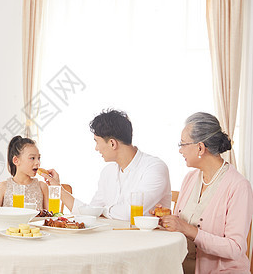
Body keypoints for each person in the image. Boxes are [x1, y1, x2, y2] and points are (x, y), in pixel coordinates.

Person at [157, 112, 253, 273]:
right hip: (181, 266)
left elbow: (235, 248)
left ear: (200, 147)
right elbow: (181, 225)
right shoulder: (190, 178)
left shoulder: (239, 186)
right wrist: (165, 219)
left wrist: (189, 229)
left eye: (183, 144)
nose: (180, 150)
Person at [40, 108, 171, 220]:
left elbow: (128, 213)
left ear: (112, 143)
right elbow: (90, 212)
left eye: (97, 142)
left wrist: (101, 212)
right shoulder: (108, 171)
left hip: (146, 242)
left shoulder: (154, 168)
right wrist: (57, 188)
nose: (96, 148)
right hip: (114, 238)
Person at [0, 136, 49, 210]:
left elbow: (50, 216)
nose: (37, 162)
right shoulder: (3, 187)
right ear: (16, 160)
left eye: (38, 158)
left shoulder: (42, 187)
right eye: (32, 158)